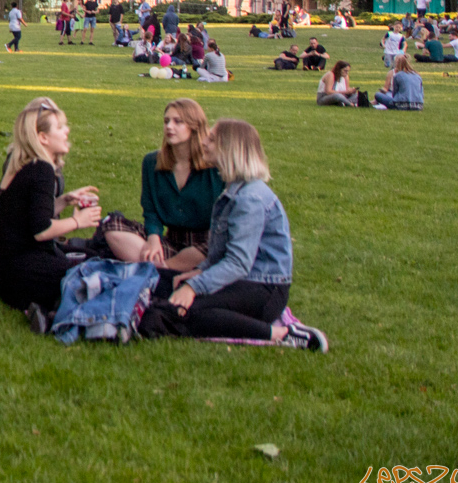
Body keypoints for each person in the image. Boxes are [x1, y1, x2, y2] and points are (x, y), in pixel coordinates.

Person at [138, 119, 327, 350]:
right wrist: (200, 272)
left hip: (263, 290)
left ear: (231, 148)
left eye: (212, 139)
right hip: (240, 280)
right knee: (157, 280)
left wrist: (194, 287)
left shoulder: (250, 199)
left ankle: (283, 334)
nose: (204, 142)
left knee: (179, 312)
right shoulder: (233, 189)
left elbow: (239, 263)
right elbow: (221, 255)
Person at [0, 97, 101, 333]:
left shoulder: (25, 164)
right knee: (95, 273)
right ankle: (53, 314)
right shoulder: (42, 169)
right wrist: (76, 221)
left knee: (91, 257)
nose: (67, 130)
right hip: (24, 277)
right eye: (60, 127)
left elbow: (26, 218)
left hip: (9, 280)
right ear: (43, 137)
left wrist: (63, 200)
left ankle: (49, 309)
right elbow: (40, 231)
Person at [96, 98, 221, 271]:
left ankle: (159, 270)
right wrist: (153, 237)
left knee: (216, 246)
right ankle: (161, 268)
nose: (169, 126)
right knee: (111, 225)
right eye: (166, 121)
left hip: (206, 244)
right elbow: (150, 210)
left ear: (194, 126)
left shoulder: (214, 168)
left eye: (178, 122)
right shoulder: (152, 162)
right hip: (170, 242)